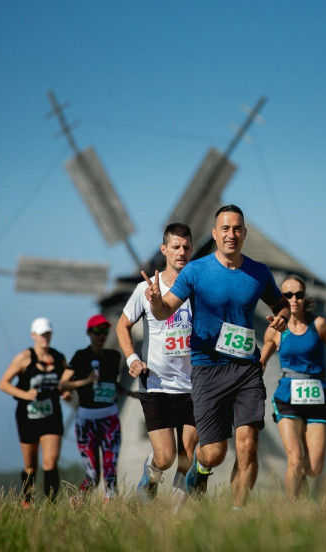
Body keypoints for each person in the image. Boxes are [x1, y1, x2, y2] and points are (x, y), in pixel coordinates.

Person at [143, 204, 290, 507]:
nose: (231, 234)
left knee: (248, 444)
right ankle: (200, 468)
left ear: (245, 233)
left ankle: (237, 513)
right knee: (214, 453)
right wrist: (156, 301)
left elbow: (282, 305)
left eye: (236, 229)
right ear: (214, 233)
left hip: (246, 368)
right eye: (225, 228)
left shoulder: (259, 272)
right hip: (208, 369)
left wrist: (282, 318)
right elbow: (165, 310)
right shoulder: (196, 271)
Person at [117, 223, 197, 503]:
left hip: (193, 384)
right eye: (176, 247)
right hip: (157, 384)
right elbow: (122, 325)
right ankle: (149, 477)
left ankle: (176, 520)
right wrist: (132, 358)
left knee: (188, 456)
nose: (181, 252)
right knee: (165, 457)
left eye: (186, 247)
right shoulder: (145, 288)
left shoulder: (198, 288)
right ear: (164, 249)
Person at [260, 275, 326, 500]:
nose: (294, 299)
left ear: (304, 297)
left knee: (314, 468)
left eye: (298, 294)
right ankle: (292, 510)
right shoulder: (276, 330)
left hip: (317, 397)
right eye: (288, 295)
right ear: (281, 298)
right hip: (287, 398)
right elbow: (261, 362)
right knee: (295, 460)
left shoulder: (319, 324)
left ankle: (301, 480)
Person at [0, 317, 69, 505]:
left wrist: (66, 392)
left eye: (47, 333)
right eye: (41, 334)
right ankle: (27, 501)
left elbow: (65, 382)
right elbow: (3, 384)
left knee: (50, 462)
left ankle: (51, 503)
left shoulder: (59, 357)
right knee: (31, 466)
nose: (45, 337)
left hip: (51, 415)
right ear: (33, 335)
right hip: (28, 416)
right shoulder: (24, 358)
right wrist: (25, 394)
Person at [59, 315, 124, 502]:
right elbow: (63, 384)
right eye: (97, 331)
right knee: (93, 474)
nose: (101, 335)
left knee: (110, 470)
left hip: (110, 419)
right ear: (89, 333)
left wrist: (131, 393)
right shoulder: (81, 356)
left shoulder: (114, 357)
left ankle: (111, 506)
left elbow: (112, 384)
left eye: (105, 331)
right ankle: (78, 500)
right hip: (87, 420)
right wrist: (86, 381)